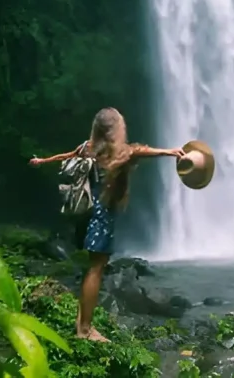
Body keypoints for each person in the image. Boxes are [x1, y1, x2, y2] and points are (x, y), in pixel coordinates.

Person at [28, 107, 183, 342]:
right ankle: (85, 330)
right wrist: (171, 152)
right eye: (121, 124)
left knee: (92, 268)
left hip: (86, 214)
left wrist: (42, 161)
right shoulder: (118, 153)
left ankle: (81, 323)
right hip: (102, 216)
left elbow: (68, 156)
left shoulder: (86, 148)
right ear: (115, 130)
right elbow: (142, 151)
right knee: (96, 269)